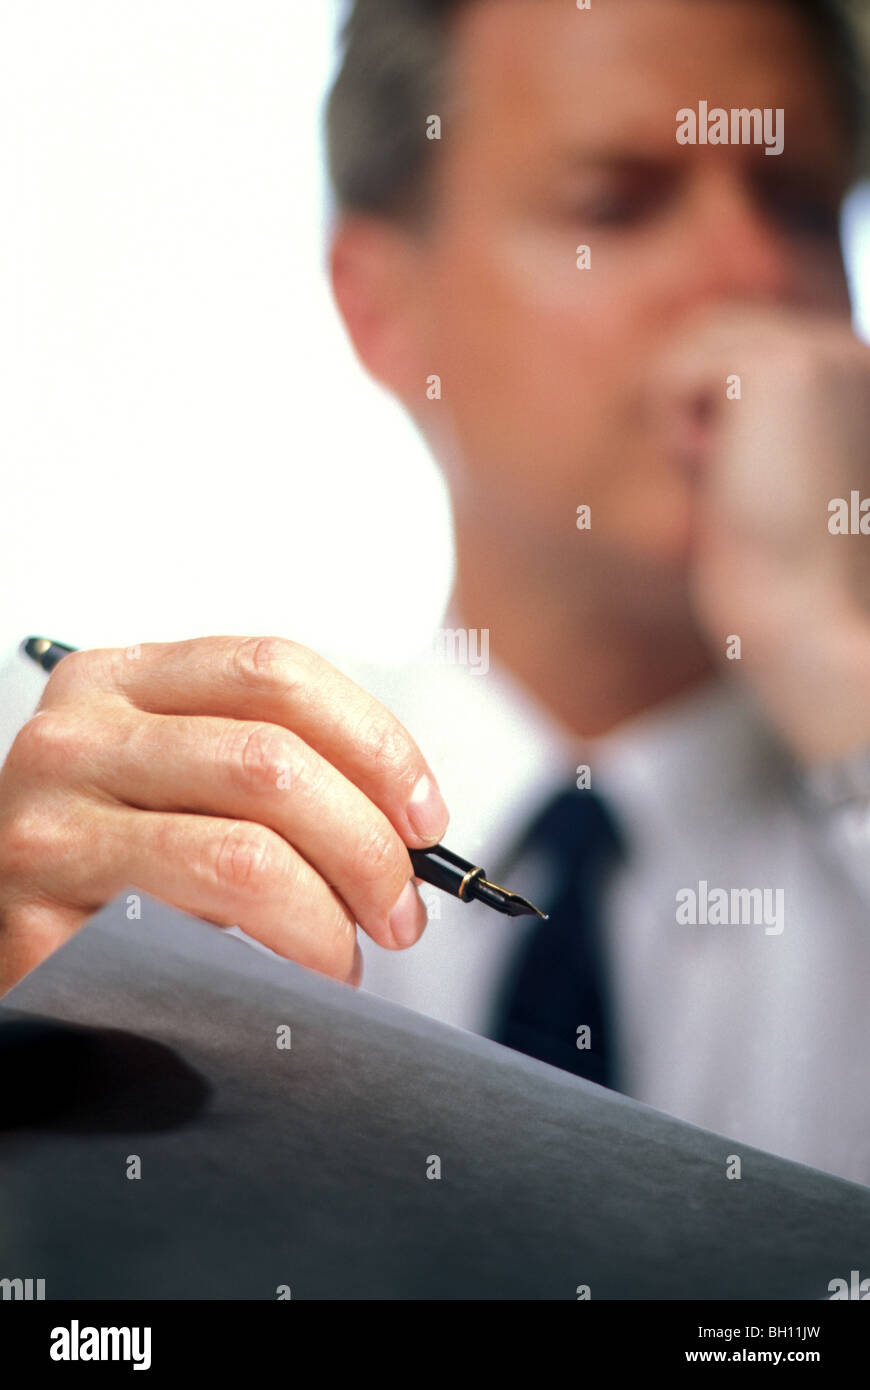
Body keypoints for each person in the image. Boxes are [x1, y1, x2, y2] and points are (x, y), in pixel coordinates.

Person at [1, 0, 869, 1184]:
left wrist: (833, 646)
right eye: (614, 203)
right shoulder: (146, 848)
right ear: (378, 306)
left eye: (804, 204)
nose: (756, 272)